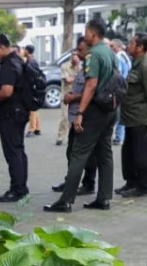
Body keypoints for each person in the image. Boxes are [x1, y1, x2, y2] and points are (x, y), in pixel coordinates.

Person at [44, 18, 116, 213]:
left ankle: (66, 200)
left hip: (94, 110)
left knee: (78, 153)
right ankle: (104, 198)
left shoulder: (94, 54)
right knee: (105, 153)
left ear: (93, 33)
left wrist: (80, 113)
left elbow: (91, 85)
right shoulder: (110, 51)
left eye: (86, 31)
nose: (84, 35)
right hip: (110, 108)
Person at [117, 32, 147, 198]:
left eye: (131, 43)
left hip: (141, 117)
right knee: (128, 151)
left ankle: (142, 185)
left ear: (140, 47)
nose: (128, 46)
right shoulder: (135, 63)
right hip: (130, 117)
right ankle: (130, 182)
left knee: (140, 152)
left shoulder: (146, 66)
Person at [50, 37, 97, 196]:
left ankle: (87, 183)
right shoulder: (83, 66)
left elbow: (91, 90)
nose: (77, 52)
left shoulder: (92, 66)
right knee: (71, 151)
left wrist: (74, 97)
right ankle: (71, 180)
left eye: (80, 49)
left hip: (84, 115)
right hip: (74, 114)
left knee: (85, 154)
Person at [0, 33, 29, 202]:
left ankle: (16, 189)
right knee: (19, 150)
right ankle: (22, 186)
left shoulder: (8, 65)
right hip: (20, 112)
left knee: (13, 152)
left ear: (1, 47)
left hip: (11, 113)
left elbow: (6, 91)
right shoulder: (18, 61)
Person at [56, 50, 80, 145]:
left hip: (77, 97)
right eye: (73, 55)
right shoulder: (65, 66)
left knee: (74, 118)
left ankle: (73, 138)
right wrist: (78, 78)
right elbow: (68, 80)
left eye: (76, 55)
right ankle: (60, 137)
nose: (74, 57)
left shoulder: (82, 67)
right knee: (65, 117)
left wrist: (78, 69)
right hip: (66, 96)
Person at [111, 40, 131, 145]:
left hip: (119, 88)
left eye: (112, 46)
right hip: (125, 86)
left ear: (118, 46)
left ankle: (118, 137)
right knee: (121, 114)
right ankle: (120, 136)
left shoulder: (118, 57)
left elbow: (117, 73)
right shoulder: (125, 55)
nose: (111, 47)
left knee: (117, 114)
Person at [23, 45, 42, 137]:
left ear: (27, 51)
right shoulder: (32, 61)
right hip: (33, 87)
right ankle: (37, 128)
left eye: (24, 49)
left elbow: (32, 75)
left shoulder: (31, 62)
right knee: (34, 107)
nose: (23, 51)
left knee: (31, 108)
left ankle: (32, 128)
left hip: (31, 87)